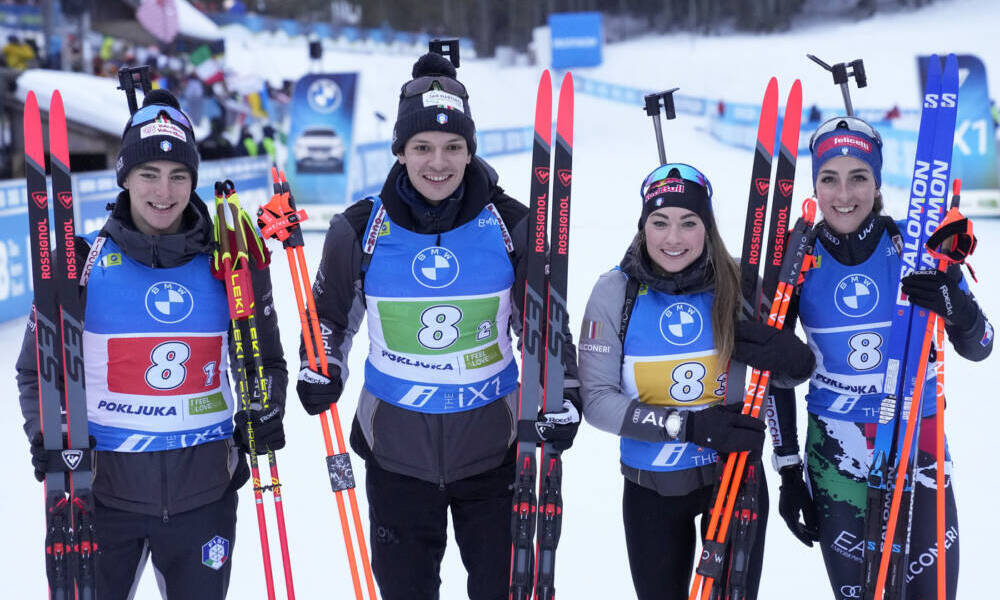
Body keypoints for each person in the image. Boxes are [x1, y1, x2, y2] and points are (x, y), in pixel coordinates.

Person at [295, 52, 581, 600]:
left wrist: (563, 394)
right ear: (399, 151)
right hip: (395, 453)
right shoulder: (358, 229)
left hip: (495, 452)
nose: (438, 162)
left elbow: (544, 325)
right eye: (422, 147)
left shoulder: (513, 225)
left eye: (454, 147)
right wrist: (321, 365)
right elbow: (329, 319)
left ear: (471, 150)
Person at [15, 88, 287, 599]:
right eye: (148, 174)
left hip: (204, 496)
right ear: (124, 178)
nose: (164, 191)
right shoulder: (80, 263)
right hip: (103, 499)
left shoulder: (228, 264)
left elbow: (265, 361)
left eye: (179, 175)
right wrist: (46, 432)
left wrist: (265, 407)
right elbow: (35, 371)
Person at [771, 116, 993, 599]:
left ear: (877, 181)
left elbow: (982, 346)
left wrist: (957, 307)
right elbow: (775, 377)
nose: (843, 193)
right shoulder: (797, 259)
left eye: (859, 177)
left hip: (919, 445)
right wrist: (789, 469)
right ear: (815, 185)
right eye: (829, 178)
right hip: (836, 455)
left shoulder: (914, 246)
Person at [577, 163, 815, 600]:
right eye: (660, 222)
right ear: (642, 225)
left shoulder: (740, 284)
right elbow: (596, 401)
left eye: (690, 223)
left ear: (707, 227)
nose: (673, 238)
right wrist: (687, 426)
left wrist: (796, 362)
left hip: (734, 478)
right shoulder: (615, 293)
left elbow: (775, 379)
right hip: (650, 486)